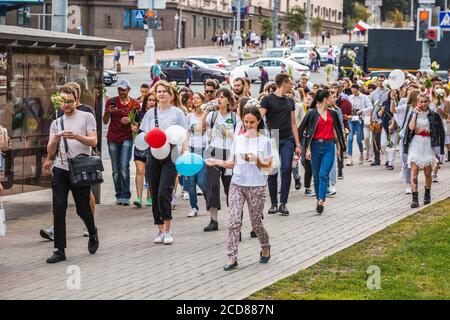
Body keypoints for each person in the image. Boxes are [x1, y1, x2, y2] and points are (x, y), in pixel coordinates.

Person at [205, 106, 272, 271]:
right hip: (237, 184)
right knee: (234, 222)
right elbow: (231, 163)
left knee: (256, 223)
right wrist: (215, 162)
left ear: (258, 122)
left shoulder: (265, 141)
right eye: (246, 121)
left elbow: (268, 166)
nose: (248, 125)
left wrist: (256, 160)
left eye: (252, 122)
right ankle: (232, 257)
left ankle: (265, 245)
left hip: (256, 186)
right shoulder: (239, 139)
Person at [44, 84, 99, 263]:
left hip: (80, 168)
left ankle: (92, 232)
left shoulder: (86, 116)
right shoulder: (56, 122)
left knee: (82, 209)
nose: (66, 105)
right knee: (58, 208)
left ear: (76, 100)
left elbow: (93, 141)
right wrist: (54, 141)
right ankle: (60, 250)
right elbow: (50, 150)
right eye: (63, 102)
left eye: (69, 101)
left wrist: (76, 136)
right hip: (61, 168)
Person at [140, 81, 188, 245]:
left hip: (172, 152)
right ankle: (159, 230)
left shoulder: (178, 113)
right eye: (158, 91)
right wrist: (148, 137)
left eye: (164, 91)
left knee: (163, 192)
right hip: (154, 153)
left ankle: (168, 230)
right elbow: (144, 135)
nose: (161, 94)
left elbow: (184, 134)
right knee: (154, 192)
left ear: (171, 94)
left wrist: (185, 151)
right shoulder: (150, 113)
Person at [260, 73, 302, 216]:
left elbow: (293, 124)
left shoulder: (290, 101)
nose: (292, 85)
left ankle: (283, 203)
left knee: (286, 169)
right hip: (273, 136)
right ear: (284, 83)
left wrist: (298, 144)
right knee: (273, 170)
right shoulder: (267, 100)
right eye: (290, 83)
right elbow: (259, 118)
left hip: (288, 138)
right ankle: (273, 204)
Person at [298, 89, 346, 214]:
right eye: (330, 98)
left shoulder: (333, 113)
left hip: (329, 146)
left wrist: (340, 147)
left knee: (323, 174)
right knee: (317, 175)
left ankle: (321, 201)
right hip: (314, 146)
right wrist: (306, 149)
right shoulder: (311, 113)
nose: (332, 100)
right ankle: (319, 198)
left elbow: (337, 131)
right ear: (325, 99)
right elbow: (303, 131)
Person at [198, 88, 239, 232]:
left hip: (229, 153)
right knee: (213, 186)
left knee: (231, 187)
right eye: (218, 97)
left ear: (229, 100)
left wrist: (228, 134)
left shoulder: (235, 117)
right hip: (213, 152)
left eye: (222, 97)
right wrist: (205, 111)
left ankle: (234, 218)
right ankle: (213, 220)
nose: (219, 99)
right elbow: (198, 128)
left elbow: (239, 138)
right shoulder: (212, 115)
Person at [404, 93, 445, 208]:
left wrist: (425, 130)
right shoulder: (413, 113)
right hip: (415, 144)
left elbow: (438, 131)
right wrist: (415, 115)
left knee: (427, 173)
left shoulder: (433, 115)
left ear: (429, 102)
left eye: (425, 101)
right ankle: (415, 197)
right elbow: (411, 128)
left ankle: (427, 193)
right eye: (421, 102)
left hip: (427, 144)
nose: (423, 104)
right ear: (418, 102)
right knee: (414, 172)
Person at [103, 79, 140, 206]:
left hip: (127, 138)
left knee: (124, 165)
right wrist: (107, 112)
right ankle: (119, 194)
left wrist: (128, 121)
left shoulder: (134, 104)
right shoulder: (111, 101)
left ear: (129, 90)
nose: (121, 92)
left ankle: (126, 195)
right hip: (112, 137)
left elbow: (135, 122)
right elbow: (104, 121)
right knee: (115, 169)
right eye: (119, 89)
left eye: (123, 90)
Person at [185, 93, 209, 217]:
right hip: (192, 148)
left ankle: (209, 202)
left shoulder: (208, 115)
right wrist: (185, 150)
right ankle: (194, 207)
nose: (195, 100)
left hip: (204, 149)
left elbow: (209, 131)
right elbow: (186, 133)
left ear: (203, 100)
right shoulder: (189, 116)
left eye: (197, 98)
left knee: (201, 181)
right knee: (190, 181)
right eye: (193, 98)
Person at [132, 92, 157, 208]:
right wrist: (133, 128)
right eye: (149, 100)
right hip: (140, 145)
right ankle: (138, 197)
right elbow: (136, 128)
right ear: (145, 101)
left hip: (152, 146)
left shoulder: (157, 115)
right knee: (139, 170)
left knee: (150, 172)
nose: (151, 102)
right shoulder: (140, 113)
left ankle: (150, 197)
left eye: (153, 100)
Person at [347, 84, 373, 166]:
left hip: (360, 119)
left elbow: (370, 107)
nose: (353, 93)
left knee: (359, 139)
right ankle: (350, 158)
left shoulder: (364, 97)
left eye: (355, 91)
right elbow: (348, 107)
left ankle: (361, 153)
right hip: (351, 119)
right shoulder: (350, 97)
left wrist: (362, 111)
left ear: (358, 89)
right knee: (350, 138)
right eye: (352, 91)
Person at [370, 75, 389, 166]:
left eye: (382, 80)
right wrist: (371, 120)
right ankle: (376, 159)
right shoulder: (373, 93)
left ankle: (388, 159)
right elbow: (371, 108)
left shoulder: (388, 91)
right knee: (376, 140)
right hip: (376, 119)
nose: (381, 82)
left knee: (385, 141)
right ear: (377, 81)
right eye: (379, 80)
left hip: (386, 118)